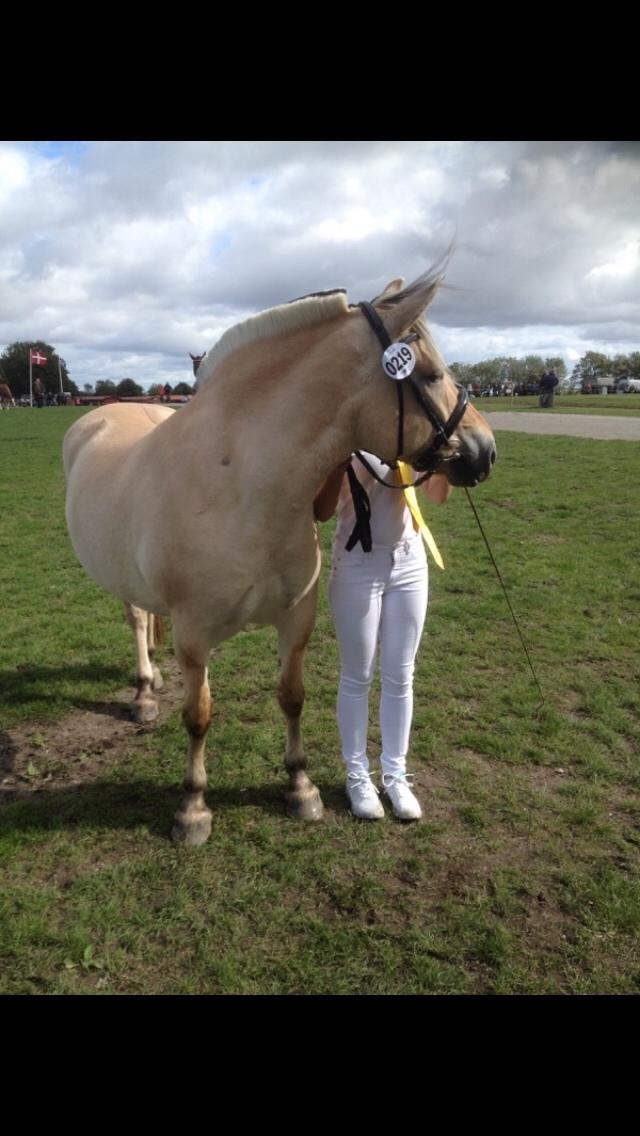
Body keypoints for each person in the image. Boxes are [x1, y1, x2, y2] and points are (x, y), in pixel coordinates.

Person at [314, 454, 452, 821]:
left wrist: (443, 461)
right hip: (358, 563)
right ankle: (357, 775)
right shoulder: (352, 431)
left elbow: (438, 496)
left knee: (400, 674)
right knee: (357, 675)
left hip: (410, 561)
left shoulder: (411, 434)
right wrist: (337, 466)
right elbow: (321, 511)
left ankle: (395, 774)